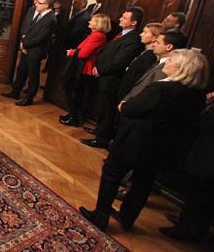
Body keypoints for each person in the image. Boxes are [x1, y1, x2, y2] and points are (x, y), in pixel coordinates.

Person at [79, 49, 209, 232]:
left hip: (135, 141)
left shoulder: (161, 89)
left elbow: (131, 109)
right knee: (143, 182)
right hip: (162, 146)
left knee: (111, 174)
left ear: (181, 68)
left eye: (170, 61)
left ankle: (101, 215)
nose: (166, 63)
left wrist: (123, 106)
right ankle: (127, 217)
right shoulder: (197, 95)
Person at [80, 6, 145, 149]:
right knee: (102, 106)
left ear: (134, 23)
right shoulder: (122, 33)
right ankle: (99, 130)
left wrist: (101, 70)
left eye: (125, 18)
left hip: (112, 78)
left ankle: (102, 138)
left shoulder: (133, 39)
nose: (121, 18)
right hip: (104, 75)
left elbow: (120, 61)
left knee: (107, 108)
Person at [159, 94, 214, 241]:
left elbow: (203, 120)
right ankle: (186, 222)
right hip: (204, 154)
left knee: (200, 194)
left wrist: (207, 104)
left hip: (208, 157)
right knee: (196, 192)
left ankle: (188, 229)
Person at [2, 0, 57, 106]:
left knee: (33, 75)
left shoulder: (50, 19)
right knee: (22, 71)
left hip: (36, 51)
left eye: (39, 3)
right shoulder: (40, 14)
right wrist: (23, 44)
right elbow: (29, 29)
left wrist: (25, 45)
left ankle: (29, 98)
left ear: (46, 5)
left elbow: (41, 38)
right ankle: (15, 92)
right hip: (27, 48)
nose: (36, 4)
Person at [59, 14, 111, 127]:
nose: (89, 22)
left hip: (83, 68)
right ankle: (72, 114)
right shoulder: (95, 34)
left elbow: (83, 53)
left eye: (92, 20)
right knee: (73, 92)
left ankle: (74, 117)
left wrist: (71, 52)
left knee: (73, 92)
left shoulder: (98, 36)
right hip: (81, 66)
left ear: (98, 24)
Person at [121, 31, 188, 102]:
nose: (153, 45)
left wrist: (128, 103)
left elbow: (149, 94)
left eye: (157, 42)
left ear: (168, 47)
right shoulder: (159, 61)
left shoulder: (167, 68)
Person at [115, 22, 165, 103]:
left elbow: (141, 80)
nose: (141, 34)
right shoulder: (145, 51)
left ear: (154, 37)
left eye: (145, 32)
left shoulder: (150, 56)